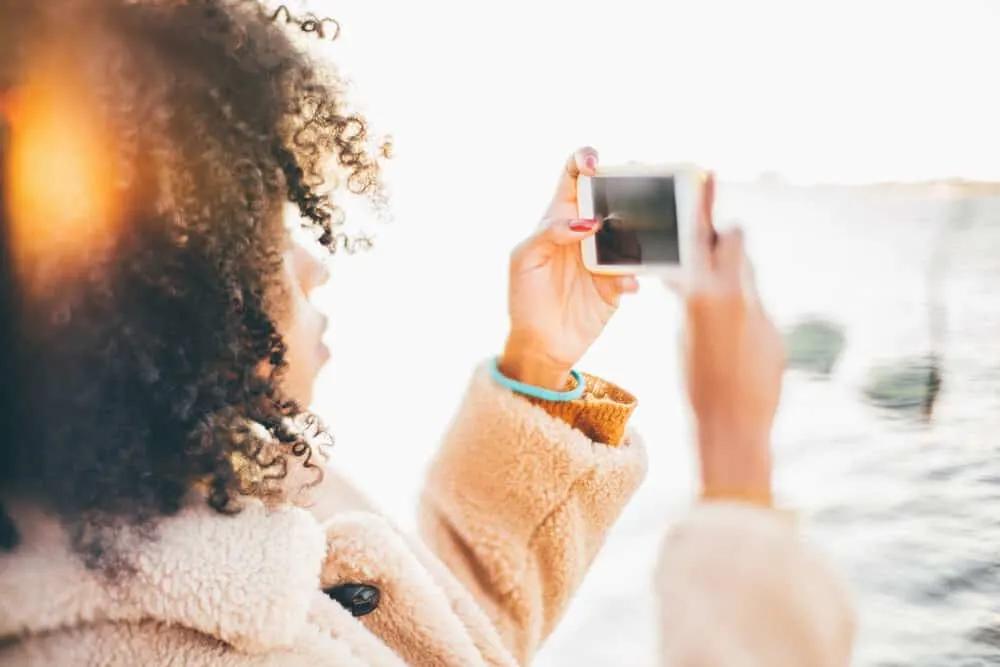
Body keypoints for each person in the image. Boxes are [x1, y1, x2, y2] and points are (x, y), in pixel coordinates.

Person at [0, 1, 854, 665]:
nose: (312, 262)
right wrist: (737, 461)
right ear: (133, 294)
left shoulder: (187, 492)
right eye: (259, 226)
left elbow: (449, 637)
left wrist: (540, 361)